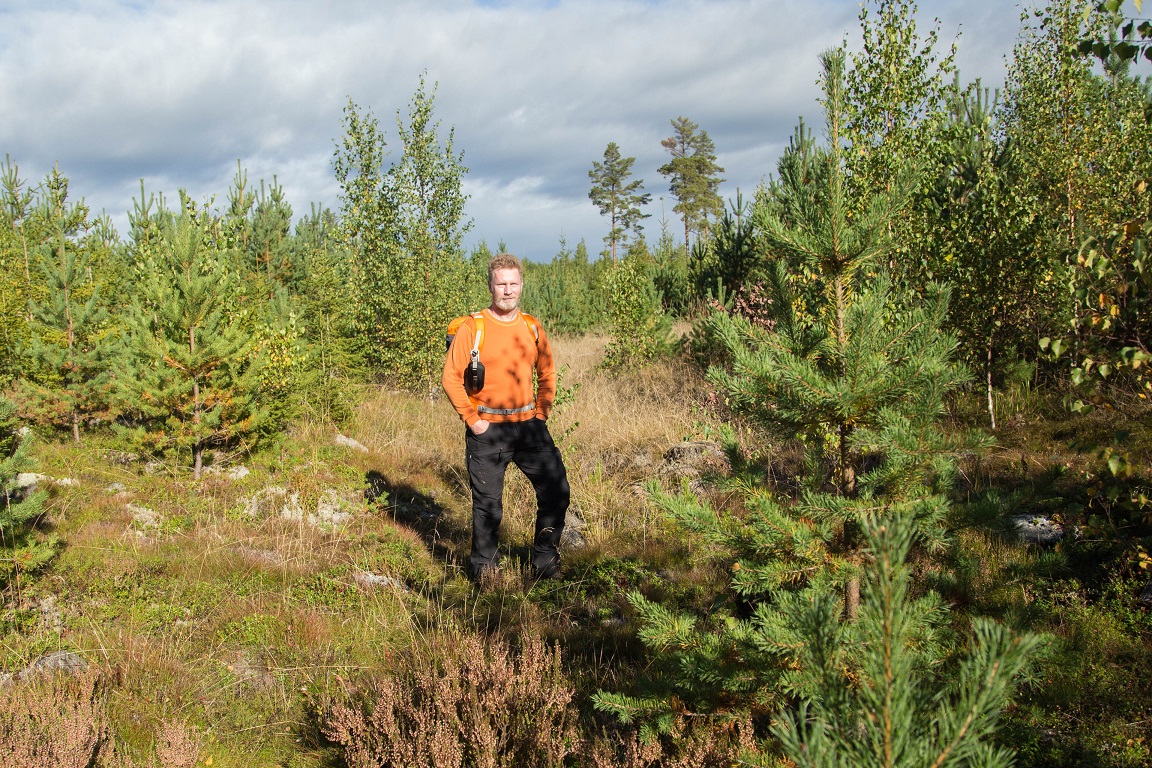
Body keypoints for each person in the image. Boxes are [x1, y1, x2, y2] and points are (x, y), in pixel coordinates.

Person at [442, 253, 570, 581]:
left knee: (557, 491)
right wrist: (473, 420)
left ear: (522, 285)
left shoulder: (531, 326)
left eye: (514, 284)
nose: (508, 290)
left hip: (529, 427)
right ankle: (486, 575)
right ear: (490, 286)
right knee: (488, 508)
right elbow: (450, 378)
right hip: (487, 430)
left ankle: (544, 563)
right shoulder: (474, 328)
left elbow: (547, 371)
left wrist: (541, 412)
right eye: (501, 284)